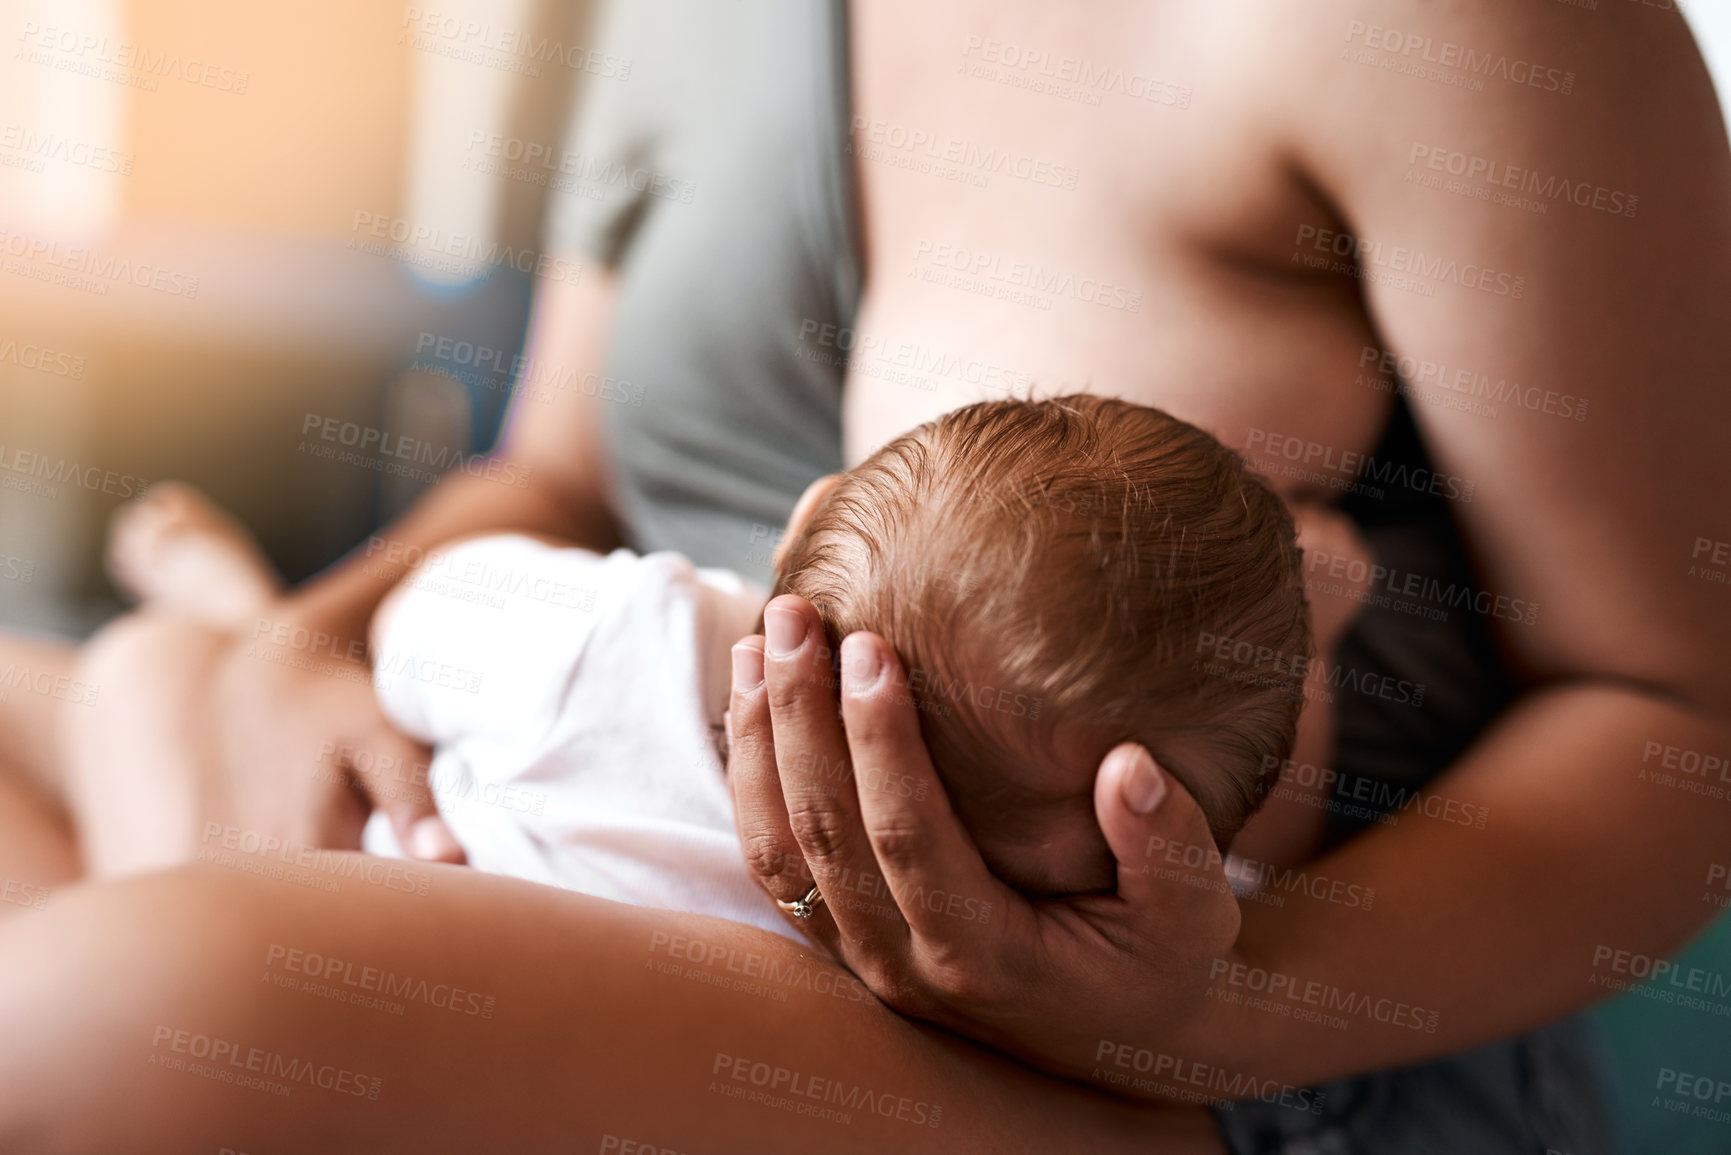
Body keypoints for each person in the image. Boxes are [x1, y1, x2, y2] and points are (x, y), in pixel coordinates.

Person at [1, 0, 1728, 1150]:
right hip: (612, 847)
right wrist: (299, 648)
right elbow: (559, 471)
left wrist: (1204, 1010)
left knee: (128, 1018)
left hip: (1200, 1062)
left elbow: (1676, 724)